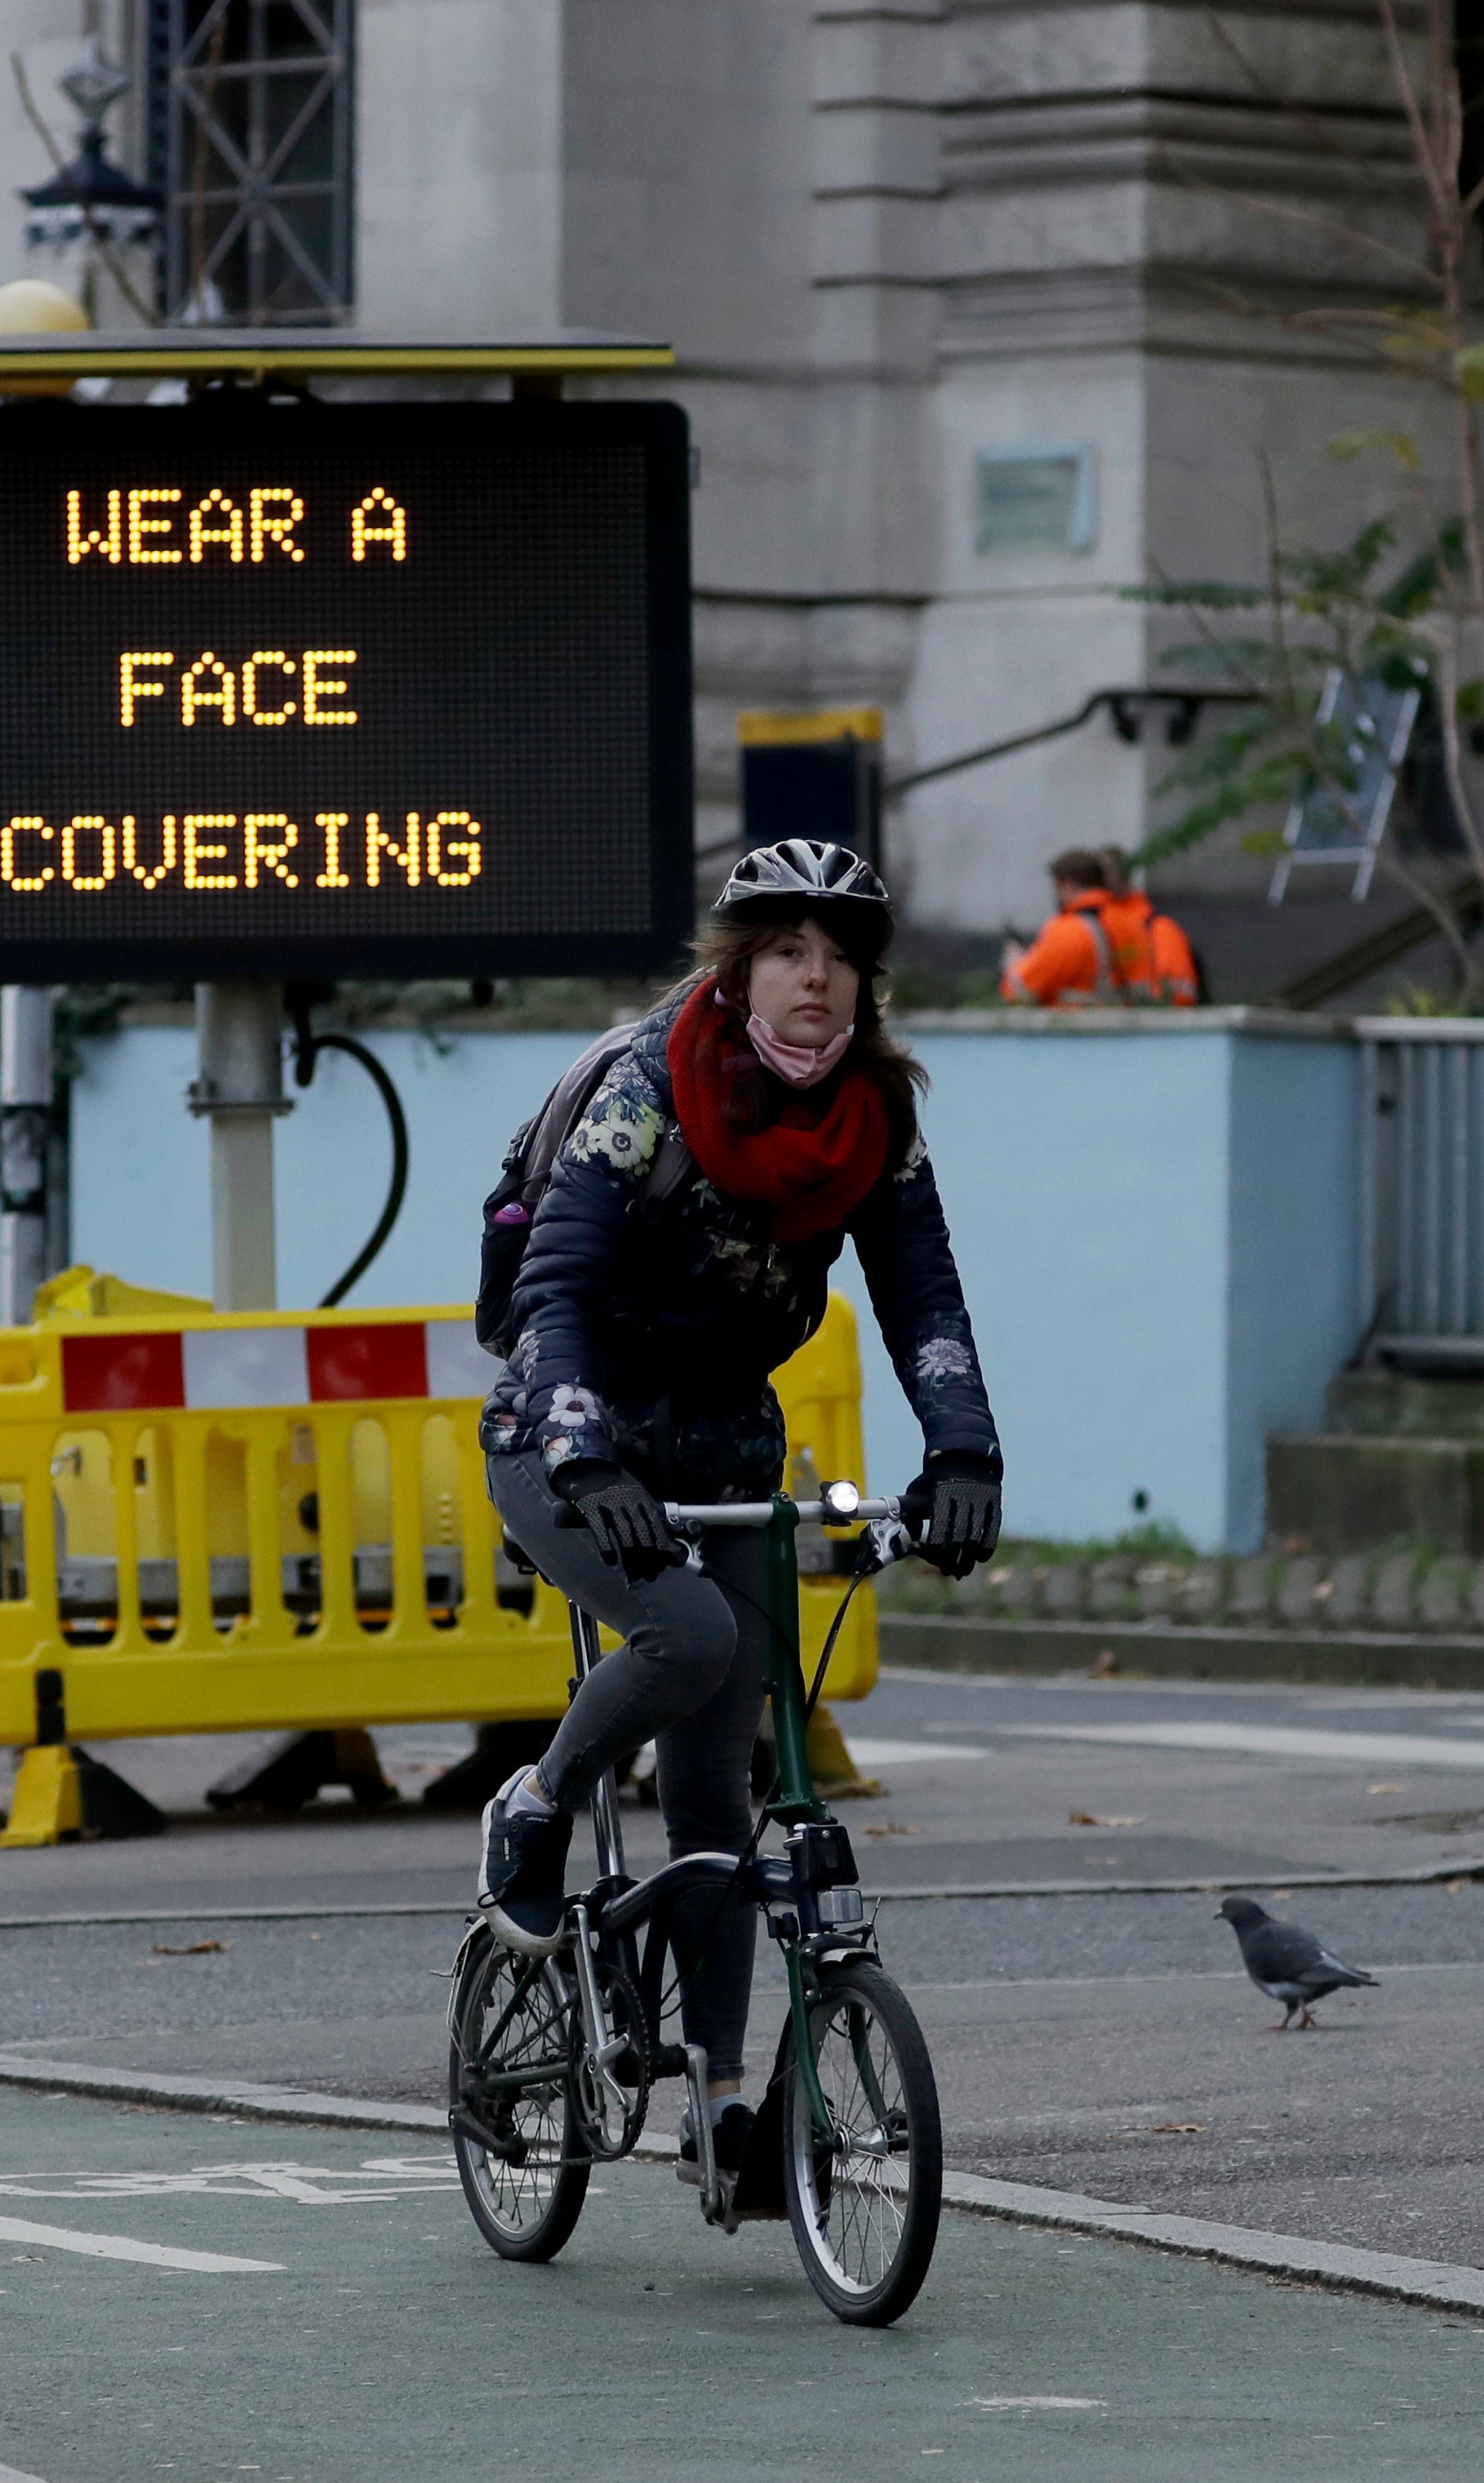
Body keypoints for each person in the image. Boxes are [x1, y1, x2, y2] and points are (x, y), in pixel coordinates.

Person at [474, 837, 1005, 2188]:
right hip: (562, 1428)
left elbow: (921, 1293)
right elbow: (557, 1285)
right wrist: (584, 1453)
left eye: (836, 957)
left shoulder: (871, 1118)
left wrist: (962, 1452)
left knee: (723, 1794)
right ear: (740, 968)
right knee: (694, 1639)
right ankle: (535, 1805)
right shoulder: (651, 1088)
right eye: (784, 951)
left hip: (720, 1443)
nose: (812, 977)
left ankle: (719, 2103)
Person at [998, 846, 1201, 1007]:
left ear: (1067, 885)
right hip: (1131, 1039)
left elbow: (1022, 993)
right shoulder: (1133, 924)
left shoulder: (1069, 930)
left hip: (1082, 1043)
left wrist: (1015, 965)